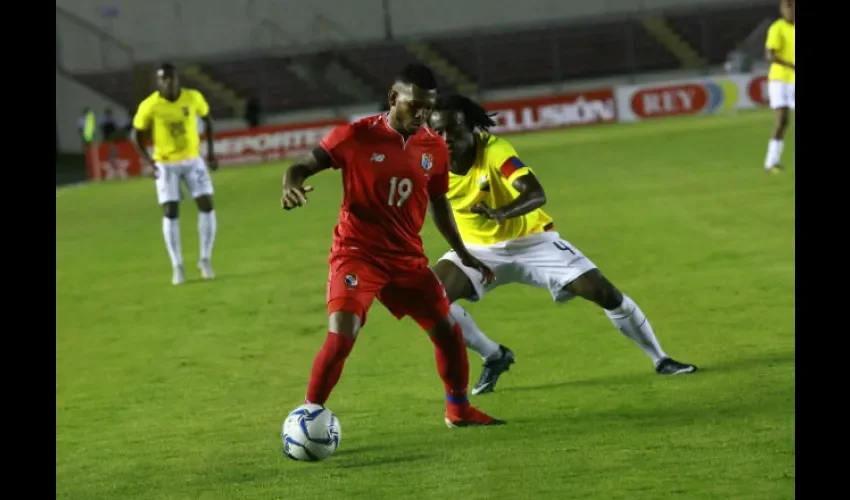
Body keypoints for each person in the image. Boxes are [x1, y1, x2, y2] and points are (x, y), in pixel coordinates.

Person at [426, 93, 698, 396]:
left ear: (472, 128)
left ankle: (661, 359)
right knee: (430, 301)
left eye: (454, 129)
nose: (446, 138)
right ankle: (494, 355)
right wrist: (462, 254)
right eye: (438, 131)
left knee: (603, 292)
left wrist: (501, 213)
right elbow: (433, 210)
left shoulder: (494, 151)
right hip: (476, 249)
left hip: (532, 241)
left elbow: (535, 193)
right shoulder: (428, 162)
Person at [281, 64, 504, 428]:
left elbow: (439, 203)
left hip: (406, 261)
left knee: (449, 333)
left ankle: (458, 411)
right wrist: (290, 184)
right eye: (414, 105)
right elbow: (300, 166)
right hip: (357, 254)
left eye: (427, 107)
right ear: (393, 98)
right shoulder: (354, 136)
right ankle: (307, 416)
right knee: (342, 336)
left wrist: (464, 255)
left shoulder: (433, 146)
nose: (421, 115)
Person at [130, 63, 220, 285]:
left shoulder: (192, 97)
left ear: (177, 79)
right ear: (158, 82)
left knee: (206, 204)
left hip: (192, 160)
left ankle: (205, 259)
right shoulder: (150, 105)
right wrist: (149, 163)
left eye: (171, 78)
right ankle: (177, 265)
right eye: (163, 79)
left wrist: (210, 152)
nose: (168, 82)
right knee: (170, 211)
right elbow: (135, 134)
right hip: (166, 162)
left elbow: (208, 121)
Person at [763, 0, 795, 174]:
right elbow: (770, 54)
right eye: (788, 7)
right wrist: (791, 65)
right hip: (780, 80)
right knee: (782, 119)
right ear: (782, 10)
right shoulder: (777, 28)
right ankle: (771, 162)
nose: (791, 10)